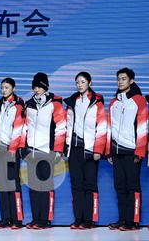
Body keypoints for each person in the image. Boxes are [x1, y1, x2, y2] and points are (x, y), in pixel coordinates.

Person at [106, 67, 147, 231]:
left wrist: (140, 151)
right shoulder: (113, 102)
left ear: (131, 81)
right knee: (120, 186)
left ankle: (133, 221)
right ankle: (123, 219)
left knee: (132, 186)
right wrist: (109, 151)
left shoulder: (139, 100)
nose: (120, 82)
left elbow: (143, 127)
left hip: (132, 151)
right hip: (116, 151)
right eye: (118, 79)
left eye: (123, 79)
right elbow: (110, 127)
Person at [23, 72, 66, 229]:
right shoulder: (28, 104)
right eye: (35, 86)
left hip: (47, 151)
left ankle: (45, 220)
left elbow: (61, 127)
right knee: (34, 187)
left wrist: (58, 150)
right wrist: (23, 149)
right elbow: (24, 127)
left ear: (46, 87)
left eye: (40, 86)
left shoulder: (55, 104)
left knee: (45, 186)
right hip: (32, 151)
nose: (37, 89)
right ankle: (36, 219)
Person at [64, 72, 106, 229]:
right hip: (74, 149)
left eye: (82, 82)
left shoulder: (96, 102)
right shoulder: (72, 102)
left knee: (90, 184)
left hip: (89, 149)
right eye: (77, 82)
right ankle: (78, 219)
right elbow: (68, 126)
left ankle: (89, 220)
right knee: (76, 185)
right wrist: (66, 147)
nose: (79, 85)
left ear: (89, 83)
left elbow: (102, 127)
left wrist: (98, 150)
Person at [0, 78, 26, 229]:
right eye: (2, 88)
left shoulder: (18, 105)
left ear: (13, 88)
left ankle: (17, 219)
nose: (4, 90)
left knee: (13, 184)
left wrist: (13, 149)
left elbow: (18, 129)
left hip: (11, 150)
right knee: (2, 185)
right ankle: (5, 218)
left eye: (6, 87)